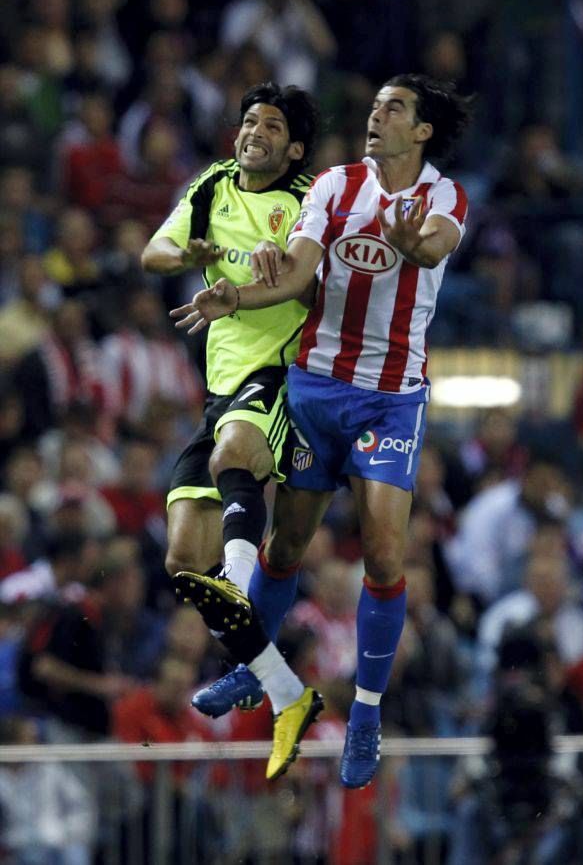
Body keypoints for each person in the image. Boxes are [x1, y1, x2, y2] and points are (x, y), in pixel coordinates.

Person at [172, 73, 472, 788]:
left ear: (423, 129)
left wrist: (409, 243)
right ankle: (252, 670)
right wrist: (235, 296)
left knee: (385, 551)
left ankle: (365, 713)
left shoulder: (444, 195)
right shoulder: (335, 186)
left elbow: (431, 249)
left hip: (390, 400)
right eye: (372, 107)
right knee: (288, 543)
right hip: (315, 386)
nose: (376, 117)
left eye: (393, 109)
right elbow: (297, 272)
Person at [142, 81, 324, 780]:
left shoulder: (308, 202)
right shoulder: (210, 186)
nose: (255, 131)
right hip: (217, 388)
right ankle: (283, 688)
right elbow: (152, 255)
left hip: (280, 373)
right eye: (250, 120)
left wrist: (295, 283)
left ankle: (247, 602)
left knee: (235, 454)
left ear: (295, 147)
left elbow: (324, 292)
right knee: (184, 559)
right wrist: (192, 256)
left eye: (272, 125)